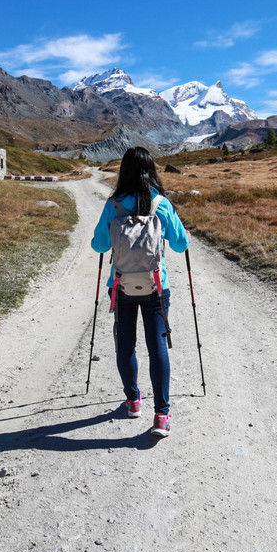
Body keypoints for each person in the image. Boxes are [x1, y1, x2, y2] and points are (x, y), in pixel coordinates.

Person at [91, 147, 189, 437]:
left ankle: (133, 401)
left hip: (121, 286)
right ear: (152, 170)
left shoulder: (114, 204)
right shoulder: (161, 203)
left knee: (126, 344)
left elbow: (99, 246)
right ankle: (162, 416)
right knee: (157, 346)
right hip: (156, 286)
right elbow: (181, 244)